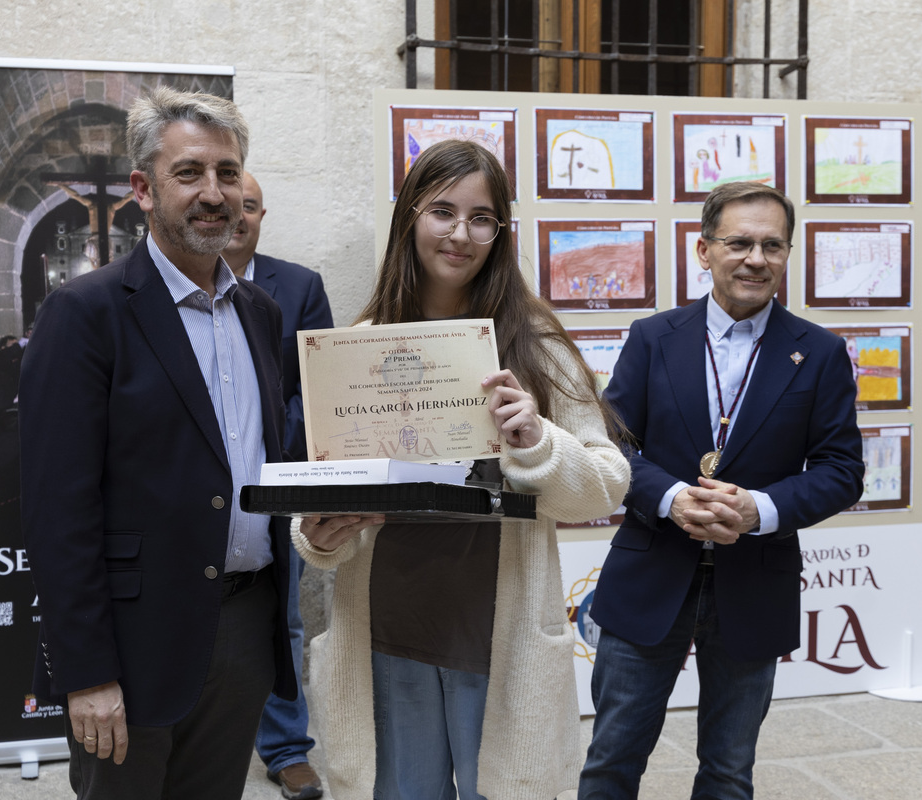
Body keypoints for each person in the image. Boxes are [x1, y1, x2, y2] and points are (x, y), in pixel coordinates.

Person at [293, 139, 632, 800]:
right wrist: (320, 538)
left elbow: (606, 481)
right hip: (388, 629)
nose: (460, 233)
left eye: (482, 218)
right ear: (410, 218)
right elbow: (329, 495)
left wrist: (537, 440)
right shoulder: (359, 345)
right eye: (442, 211)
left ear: (500, 233)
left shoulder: (536, 342)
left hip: (496, 635)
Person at [19, 86, 296, 800]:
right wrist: (86, 672)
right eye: (190, 173)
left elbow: (262, 464)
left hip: (242, 630)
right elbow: (58, 509)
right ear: (143, 188)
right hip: (133, 645)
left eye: (228, 173)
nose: (214, 193)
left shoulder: (261, 314)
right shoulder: (85, 313)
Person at [578, 181, 864, 799]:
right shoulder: (654, 337)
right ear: (704, 250)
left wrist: (758, 509)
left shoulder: (819, 353)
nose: (755, 258)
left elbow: (842, 470)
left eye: (772, 245)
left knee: (729, 772)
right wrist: (672, 497)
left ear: (788, 254)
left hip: (754, 582)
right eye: (739, 242)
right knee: (610, 763)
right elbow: (612, 444)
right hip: (649, 573)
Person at [222, 172, 333, 800]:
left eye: (251, 206)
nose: (238, 215)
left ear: (263, 214)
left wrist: (273, 439)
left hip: (278, 477)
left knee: (281, 617)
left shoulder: (297, 285)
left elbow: (319, 387)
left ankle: (286, 748)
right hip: (191, 485)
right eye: (231, 204)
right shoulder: (164, 287)